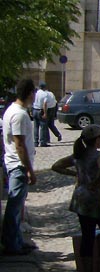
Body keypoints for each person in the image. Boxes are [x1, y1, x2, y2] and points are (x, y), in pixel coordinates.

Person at [51, 124, 100, 272]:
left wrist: (77, 175)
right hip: (97, 200)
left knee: (87, 236)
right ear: (96, 140)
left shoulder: (78, 155)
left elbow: (56, 166)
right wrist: (95, 182)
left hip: (80, 198)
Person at [2, 79, 37, 256]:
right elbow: (20, 145)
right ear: (30, 93)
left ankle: (16, 240)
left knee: (18, 206)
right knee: (14, 207)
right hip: (18, 165)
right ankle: (11, 245)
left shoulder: (15, 111)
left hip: (15, 164)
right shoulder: (19, 115)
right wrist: (29, 169)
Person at [32, 81, 50, 147]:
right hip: (40, 110)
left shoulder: (36, 93)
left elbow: (32, 101)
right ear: (44, 87)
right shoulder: (45, 94)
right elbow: (44, 104)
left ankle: (35, 142)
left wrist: (31, 110)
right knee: (43, 127)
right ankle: (42, 142)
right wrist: (45, 113)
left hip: (34, 109)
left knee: (35, 127)